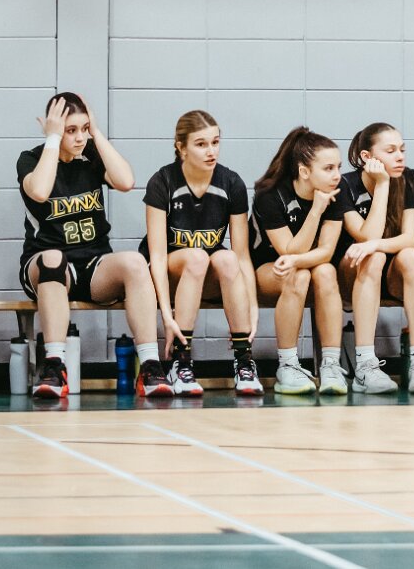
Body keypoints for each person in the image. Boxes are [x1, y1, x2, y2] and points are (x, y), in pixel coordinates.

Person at [17, 93, 168, 398]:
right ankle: (54, 365)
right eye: (71, 130)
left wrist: (96, 133)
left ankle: (150, 365)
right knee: (53, 258)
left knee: (136, 262)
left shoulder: (90, 156)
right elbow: (41, 191)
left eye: (83, 128)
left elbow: (126, 181)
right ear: (54, 129)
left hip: (93, 266)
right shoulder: (31, 159)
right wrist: (52, 139)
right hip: (48, 268)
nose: (79, 137)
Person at [141, 110, 259, 397]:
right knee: (197, 257)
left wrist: (253, 307)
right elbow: (157, 257)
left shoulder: (231, 183)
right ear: (181, 148)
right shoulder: (163, 181)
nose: (211, 151)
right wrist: (166, 314)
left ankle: (244, 361)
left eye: (215, 142)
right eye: (201, 144)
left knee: (228, 258)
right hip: (170, 274)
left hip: (206, 274)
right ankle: (180, 362)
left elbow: (243, 255)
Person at [335, 122, 414, 395]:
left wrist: (375, 245)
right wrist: (381, 184)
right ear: (367, 157)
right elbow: (366, 236)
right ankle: (365, 365)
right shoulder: (345, 184)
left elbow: (410, 239)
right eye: (390, 151)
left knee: (412, 257)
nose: (400, 156)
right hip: (349, 274)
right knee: (374, 257)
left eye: (402, 149)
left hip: (389, 272)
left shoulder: (409, 178)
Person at [250, 127, 347, 395]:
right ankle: (288, 365)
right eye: (328, 168)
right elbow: (288, 251)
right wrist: (316, 210)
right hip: (266, 270)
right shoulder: (270, 195)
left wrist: (298, 260)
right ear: (304, 172)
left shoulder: (337, 191)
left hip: (308, 266)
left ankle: (330, 365)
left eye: (338, 167)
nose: (337, 175)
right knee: (298, 275)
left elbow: (326, 252)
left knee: (326, 271)